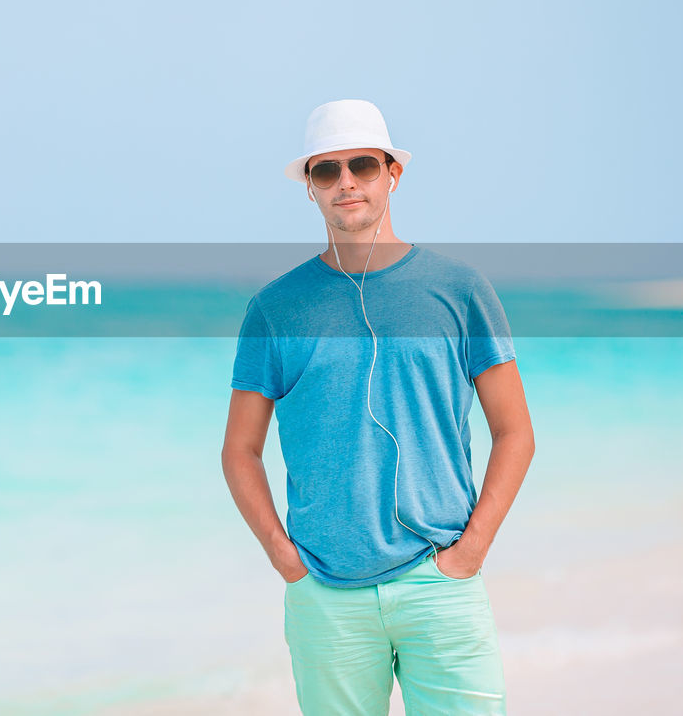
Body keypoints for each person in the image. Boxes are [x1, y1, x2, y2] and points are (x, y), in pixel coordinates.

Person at [221, 99, 535, 715]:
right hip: (326, 593)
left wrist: (470, 552)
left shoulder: (461, 290)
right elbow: (240, 450)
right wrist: (287, 561)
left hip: (441, 581)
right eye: (326, 170)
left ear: (392, 173)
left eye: (362, 165)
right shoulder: (275, 308)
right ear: (309, 187)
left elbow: (514, 431)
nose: (346, 183)